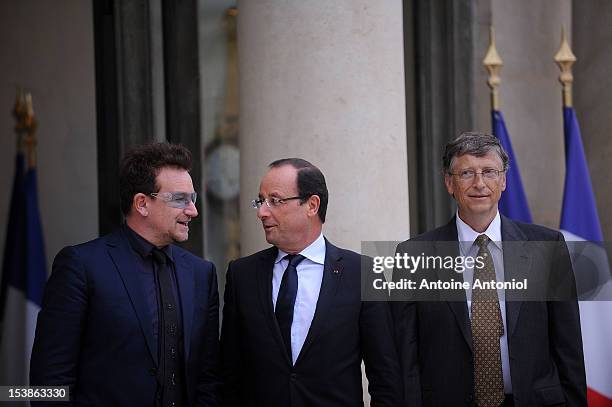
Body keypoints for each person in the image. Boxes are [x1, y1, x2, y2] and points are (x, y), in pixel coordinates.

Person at [393, 132, 586, 407]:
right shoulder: (413, 255)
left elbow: (569, 347)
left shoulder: (547, 246)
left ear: (504, 180)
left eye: (489, 172)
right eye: (467, 173)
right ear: (449, 183)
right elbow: (406, 355)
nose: (479, 183)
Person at [30, 143, 221, 406]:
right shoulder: (81, 266)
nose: (193, 211)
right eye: (180, 199)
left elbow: (207, 376)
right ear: (142, 203)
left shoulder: (202, 274)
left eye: (193, 198)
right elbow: (48, 382)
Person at [220, 158, 401, 406]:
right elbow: (229, 373)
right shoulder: (242, 275)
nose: (262, 212)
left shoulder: (363, 272)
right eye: (260, 201)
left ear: (312, 205)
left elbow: (386, 379)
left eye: (275, 200)